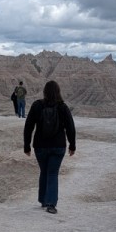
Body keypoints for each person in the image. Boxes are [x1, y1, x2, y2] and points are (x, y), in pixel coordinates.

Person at [24, 80, 76, 214]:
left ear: (44, 91)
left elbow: (29, 126)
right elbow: (70, 127)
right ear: (58, 91)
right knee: (52, 173)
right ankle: (51, 204)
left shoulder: (37, 105)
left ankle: (43, 200)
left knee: (44, 171)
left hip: (40, 146)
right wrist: (72, 145)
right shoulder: (62, 107)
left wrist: (27, 146)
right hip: (58, 146)